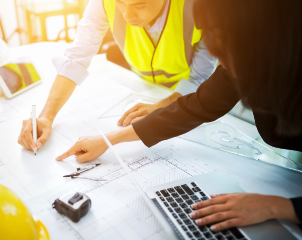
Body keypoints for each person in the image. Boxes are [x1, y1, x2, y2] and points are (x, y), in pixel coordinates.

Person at [56, 0, 302, 232]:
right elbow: (199, 105)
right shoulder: (242, 56)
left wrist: (281, 206)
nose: (224, 68)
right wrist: (111, 139)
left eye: (229, 55)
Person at [17, 0, 217, 151]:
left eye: (139, 5)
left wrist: (161, 106)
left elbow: (199, 79)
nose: (127, 15)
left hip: (188, 96)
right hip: (143, 86)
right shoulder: (104, 2)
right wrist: (46, 117)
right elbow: (76, 59)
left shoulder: (202, 7)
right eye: (120, 2)